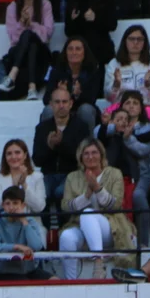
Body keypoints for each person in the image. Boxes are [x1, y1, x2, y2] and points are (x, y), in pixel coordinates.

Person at [58, 138, 136, 279]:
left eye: (94, 152)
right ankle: (70, 281)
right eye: (86, 153)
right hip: (80, 225)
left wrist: (98, 189)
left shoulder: (114, 173)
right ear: (81, 157)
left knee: (87, 213)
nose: (90, 157)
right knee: (66, 236)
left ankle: (98, 264)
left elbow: (116, 204)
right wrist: (86, 195)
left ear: (101, 155)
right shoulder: (72, 177)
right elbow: (66, 206)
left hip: (111, 226)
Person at [100, 94, 150, 247]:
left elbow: (144, 150)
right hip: (117, 175)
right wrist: (112, 126)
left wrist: (128, 138)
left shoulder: (147, 127)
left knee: (137, 196)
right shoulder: (113, 125)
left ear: (141, 108)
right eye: (127, 102)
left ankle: (143, 244)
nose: (131, 106)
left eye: (135, 103)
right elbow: (98, 134)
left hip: (142, 175)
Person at [33, 86, 91, 214]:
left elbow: (82, 157)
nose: (61, 105)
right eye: (57, 102)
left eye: (64, 102)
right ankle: (48, 226)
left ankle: (63, 224)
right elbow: (36, 160)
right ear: (51, 104)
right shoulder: (42, 128)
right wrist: (50, 147)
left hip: (72, 173)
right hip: (48, 174)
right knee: (42, 194)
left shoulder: (81, 126)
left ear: (71, 104)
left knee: (61, 192)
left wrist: (61, 145)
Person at [0, 0, 54, 101]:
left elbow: (47, 34)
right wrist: (22, 23)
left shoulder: (45, 5)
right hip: (18, 55)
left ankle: (12, 76)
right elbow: (13, 38)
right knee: (28, 38)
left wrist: (30, 24)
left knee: (30, 37)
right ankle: (32, 88)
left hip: (40, 55)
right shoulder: (12, 7)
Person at [0, 186, 51, 280]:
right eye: (7, 203)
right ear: (3, 205)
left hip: (30, 270)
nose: (11, 207)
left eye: (15, 203)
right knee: (24, 282)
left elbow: (36, 246)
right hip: (5, 272)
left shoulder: (30, 221)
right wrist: (16, 247)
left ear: (23, 205)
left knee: (55, 281)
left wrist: (24, 221)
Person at [64, 0, 116, 77]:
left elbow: (112, 25)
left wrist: (95, 19)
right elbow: (68, 32)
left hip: (100, 51)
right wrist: (73, 20)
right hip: (79, 54)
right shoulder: (73, 1)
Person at [42, 36, 99, 129]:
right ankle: (49, 138)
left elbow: (92, 99)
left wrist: (77, 95)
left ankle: (87, 139)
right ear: (65, 52)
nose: (74, 52)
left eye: (78, 49)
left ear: (84, 52)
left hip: (81, 109)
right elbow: (46, 99)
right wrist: (59, 94)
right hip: (61, 109)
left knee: (86, 110)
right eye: (70, 49)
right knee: (48, 110)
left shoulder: (92, 72)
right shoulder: (56, 71)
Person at [105, 25, 150, 108]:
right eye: (131, 39)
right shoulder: (114, 63)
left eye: (139, 39)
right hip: (120, 108)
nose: (135, 42)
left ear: (145, 42)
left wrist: (149, 85)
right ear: (125, 41)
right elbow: (108, 97)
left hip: (146, 107)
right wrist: (116, 85)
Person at [0, 138, 46, 215]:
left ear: (25, 155)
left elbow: (39, 207)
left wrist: (24, 185)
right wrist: (12, 188)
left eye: (17, 152)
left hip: (28, 220)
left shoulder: (37, 177)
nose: (13, 157)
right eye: (9, 153)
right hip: (4, 221)